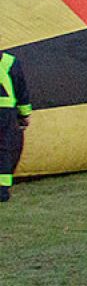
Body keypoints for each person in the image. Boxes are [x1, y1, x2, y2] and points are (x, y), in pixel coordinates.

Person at [0, 49, 30, 203]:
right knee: (4, 149)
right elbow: (21, 90)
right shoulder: (9, 62)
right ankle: (2, 190)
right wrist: (24, 114)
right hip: (6, 113)